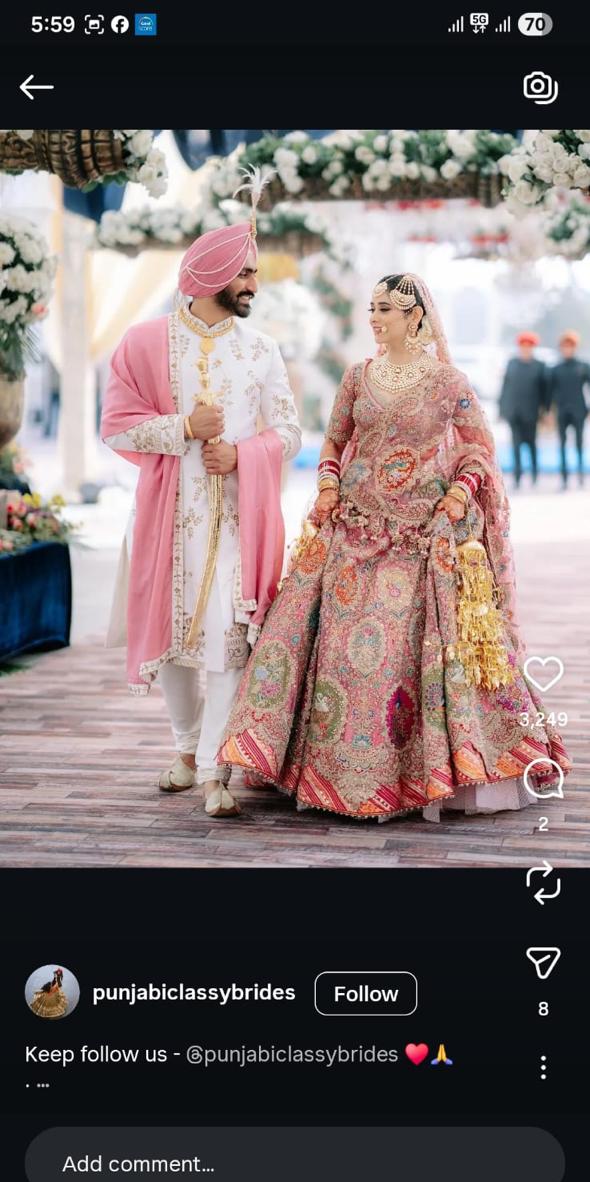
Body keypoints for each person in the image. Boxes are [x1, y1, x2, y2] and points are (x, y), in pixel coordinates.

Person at [219, 273, 570, 821]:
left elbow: (479, 449)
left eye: (386, 309)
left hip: (419, 537)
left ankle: (413, 776)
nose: (375, 318)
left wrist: (459, 494)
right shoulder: (357, 377)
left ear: (415, 317)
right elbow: (334, 440)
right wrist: (328, 485)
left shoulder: (448, 382)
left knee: (399, 652)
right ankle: (330, 774)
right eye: (372, 308)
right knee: (338, 651)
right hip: (351, 531)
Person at [100, 176, 301, 818]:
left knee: (228, 642)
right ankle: (186, 749)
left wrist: (243, 453)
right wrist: (184, 427)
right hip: (165, 521)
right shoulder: (144, 343)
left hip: (239, 520)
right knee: (174, 644)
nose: (253, 284)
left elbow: (289, 430)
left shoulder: (261, 349)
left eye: (253, 272)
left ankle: (216, 768)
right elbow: (116, 427)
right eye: (244, 272)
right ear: (211, 273)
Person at [498, 332, 548, 488]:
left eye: (529, 346)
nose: (525, 349)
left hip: (531, 413)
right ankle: (517, 476)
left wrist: (545, 411)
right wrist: (502, 408)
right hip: (514, 411)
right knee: (516, 445)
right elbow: (505, 387)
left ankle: (534, 474)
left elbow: (544, 391)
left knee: (531, 444)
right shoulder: (512, 363)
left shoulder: (539, 366)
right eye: (523, 346)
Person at [549, 330, 590, 487]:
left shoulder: (583, 367)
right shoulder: (556, 369)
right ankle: (564, 477)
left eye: (570, 346)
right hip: (562, 410)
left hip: (579, 409)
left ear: (574, 347)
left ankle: (580, 475)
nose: (567, 349)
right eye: (565, 346)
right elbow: (550, 392)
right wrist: (549, 412)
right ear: (561, 348)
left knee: (579, 443)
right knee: (562, 444)